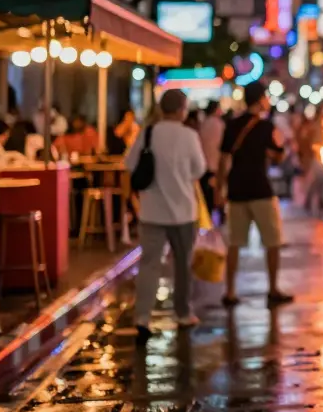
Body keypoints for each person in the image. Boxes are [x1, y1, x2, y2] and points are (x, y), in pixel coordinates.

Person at [125, 90, 206, 344]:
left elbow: (129, 164)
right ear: (182, 109)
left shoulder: (148, 133)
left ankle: (142, 317)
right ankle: (182, 313)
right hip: (183, 212)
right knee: (183, 265)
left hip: (151, 211)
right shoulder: (189, 136)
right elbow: (199, 169)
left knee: (149, 264)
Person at [216, 82, 292, 308]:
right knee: (272, 242)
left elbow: (223, 160)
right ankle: (273, 288)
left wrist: (220, 189)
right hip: (260, 190)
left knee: (234, 244)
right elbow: (279, 156)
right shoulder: (267, 127)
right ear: (260, 99)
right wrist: (278, 148)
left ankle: (229, 291)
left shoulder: (232, 125)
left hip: (236, 190)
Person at [198, 101, 225, 222]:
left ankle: (207, 217)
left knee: (207, 194)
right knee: (218, 191)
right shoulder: (219, 124)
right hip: (216, 163)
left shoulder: (203, 124)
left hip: (204, 164)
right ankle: (220, 214)